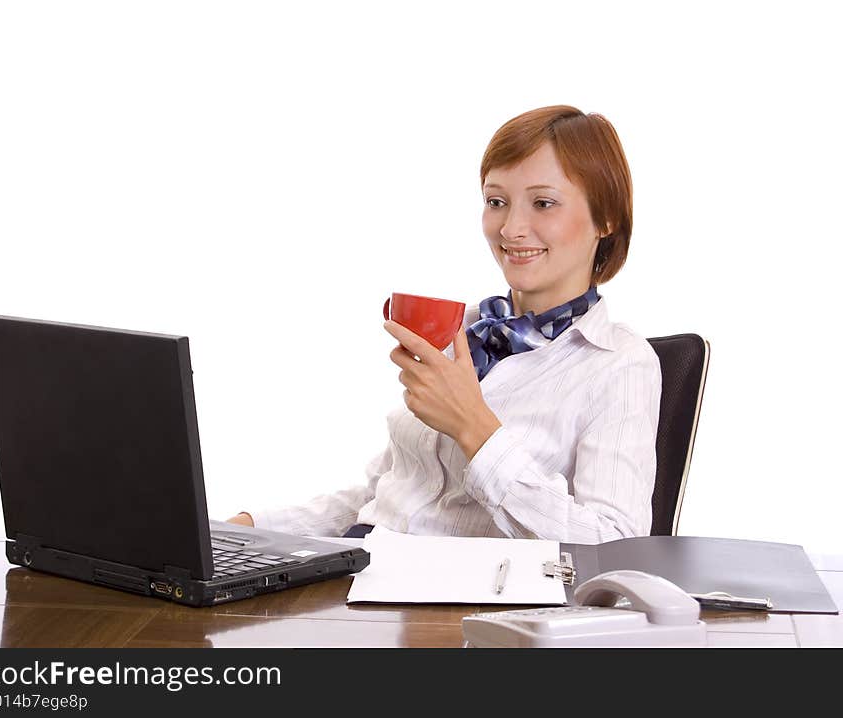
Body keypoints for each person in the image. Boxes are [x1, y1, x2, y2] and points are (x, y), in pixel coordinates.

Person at [228, 105, 661, 544]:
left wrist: (474, 428)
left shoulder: (619, 365)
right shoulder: (466, 330)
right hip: (363, 569)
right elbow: (388, 494)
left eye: (543, 203)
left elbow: (614, 544)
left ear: (606, 219)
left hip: (442, 601)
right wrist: (251, 529)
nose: (511, 228)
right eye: (497, 202)